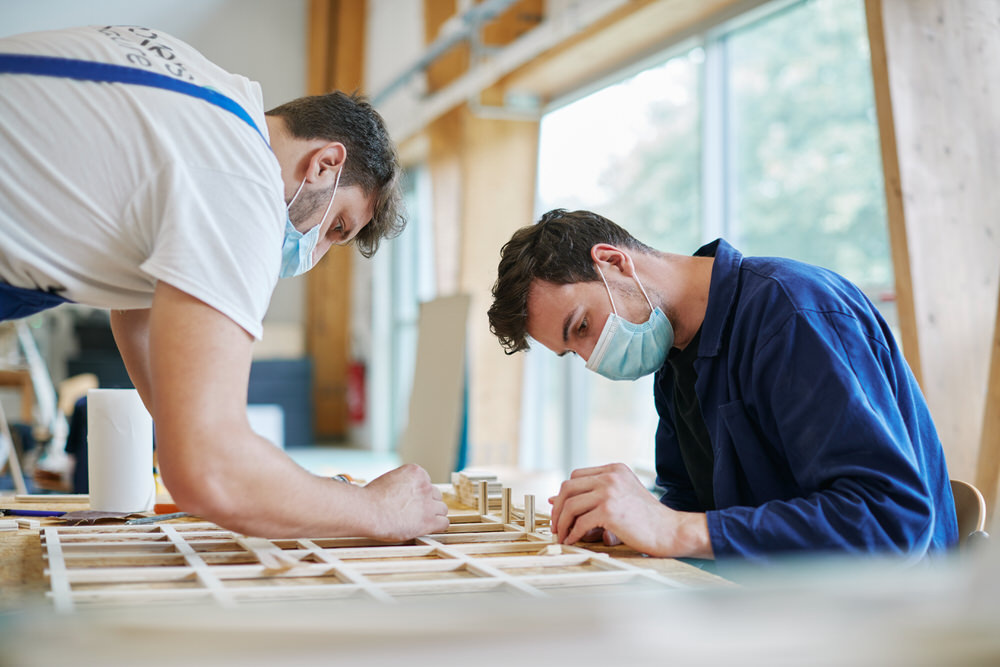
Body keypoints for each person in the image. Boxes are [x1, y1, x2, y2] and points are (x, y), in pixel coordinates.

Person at [0, 25, 449, 539]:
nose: (317, 253)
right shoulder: (243, 183)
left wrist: (273, 482)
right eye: (336, 228)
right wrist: (375, 510)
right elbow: (209, 471)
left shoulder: (207, 100)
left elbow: (139, 311)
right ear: (325, 164)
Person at [488, 208, 958, 563]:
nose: (594, 358)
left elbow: (890, 521)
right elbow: (691, 501)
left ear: (613, 262)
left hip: (889, 621)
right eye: (574, 353)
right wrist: (627, 521)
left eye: (583, 327)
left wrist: (674, 530)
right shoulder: (674, 355)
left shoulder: (792, 314)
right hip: (776, 608)